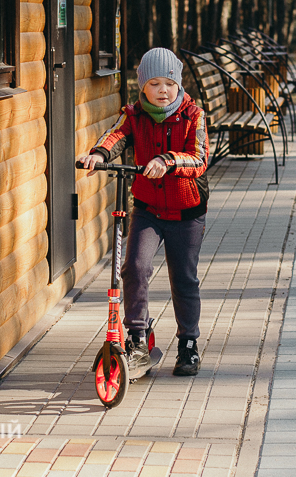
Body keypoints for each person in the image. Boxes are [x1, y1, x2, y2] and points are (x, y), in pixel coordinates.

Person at [77, 47, 209, 377]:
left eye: (169, 83)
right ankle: (137, 337)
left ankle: (188, 344)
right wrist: (98, 154)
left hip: (186, 211)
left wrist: (167, 161)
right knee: (134, 267)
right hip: (148, 209)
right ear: (142, 87)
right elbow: (117, 134)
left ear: (178, 85)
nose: (162, 91)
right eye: (154, 84)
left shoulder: (194, 115)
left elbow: (200, 157)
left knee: (184, 278)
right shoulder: (134, 114)